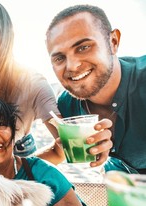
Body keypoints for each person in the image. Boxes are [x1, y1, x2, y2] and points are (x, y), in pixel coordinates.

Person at [0, 0, 112, 168]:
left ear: (6, 32)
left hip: (19, 153)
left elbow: (62, 148)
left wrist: (91, 142)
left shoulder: (34, 84)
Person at [45, 4, 146, 174]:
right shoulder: (67, 105)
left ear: (113, 42)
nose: (72, 66)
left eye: (83, 47)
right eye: (60, 58)